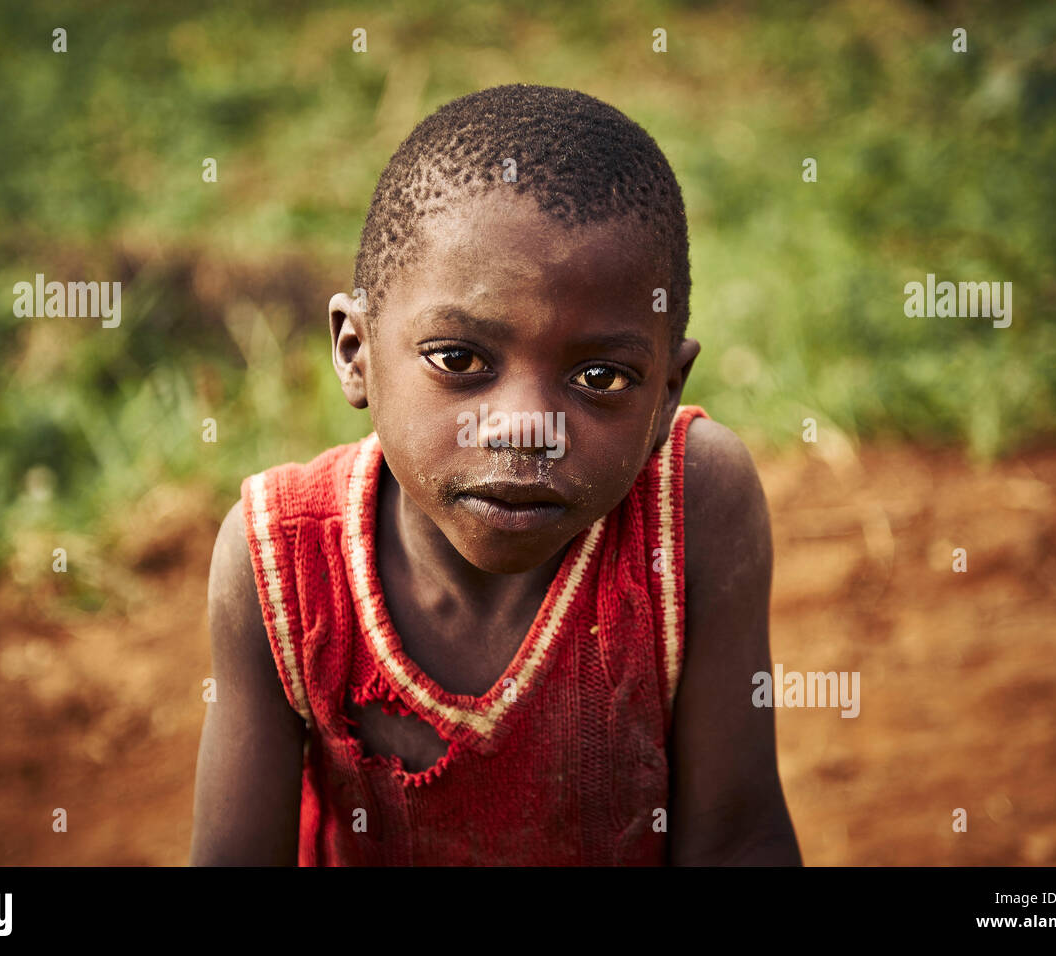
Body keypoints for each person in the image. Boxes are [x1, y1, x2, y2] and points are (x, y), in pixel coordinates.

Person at [190, 84, 801, 865]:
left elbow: (738, 841)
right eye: (460, 360)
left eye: (603, 378)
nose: (525, 428)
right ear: (357, 353)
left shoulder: (690, 509)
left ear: (664, 397)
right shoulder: (280, 563)